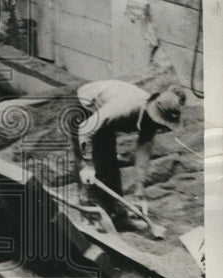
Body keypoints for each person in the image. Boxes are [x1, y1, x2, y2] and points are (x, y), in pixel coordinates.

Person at [71, 79, 185, 231]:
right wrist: (87, 165)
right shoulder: (125, 108)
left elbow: (143, 150)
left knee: (110, 165)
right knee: (91, 169)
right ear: (152, 112)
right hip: (86, 109)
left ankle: (118, 218)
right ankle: (89, 217)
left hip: (105, 114)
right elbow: (86, 129)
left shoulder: (151, 121)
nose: (159, 127)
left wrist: (139, 188)